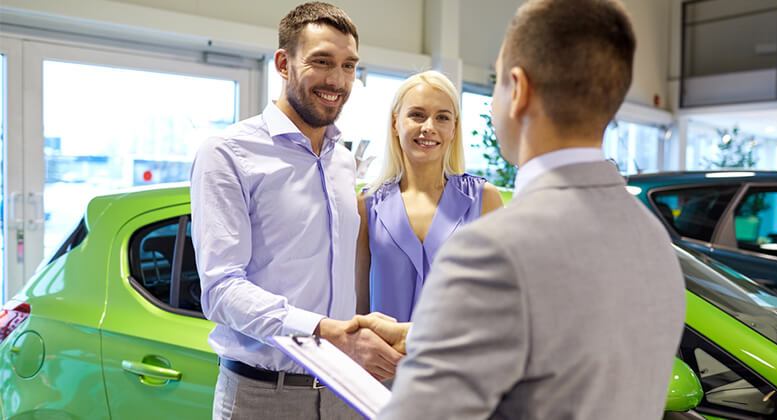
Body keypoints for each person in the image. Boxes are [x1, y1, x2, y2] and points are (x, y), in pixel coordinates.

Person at [371, 0, 687, 418]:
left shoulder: (493, 249)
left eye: (496, 82)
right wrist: (421, 335)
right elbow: (554, 346)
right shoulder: (654, 243)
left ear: (517, 91)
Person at [190, 3, 401, 419]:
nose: (337, 81)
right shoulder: (228, 152)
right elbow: (221, 291)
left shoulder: (342, 161)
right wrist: (325, 332)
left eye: (348, 66)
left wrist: (363, 332)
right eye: (321, 62)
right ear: (284, 63)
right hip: (261, 395)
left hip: (345, 389)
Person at [355, 70, 504, 321]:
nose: (429, 128)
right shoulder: (367, 206)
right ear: (395, 122)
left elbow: (501, 300)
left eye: (442, 118)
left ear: (454, 128)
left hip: (458, 358)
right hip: (383, 358)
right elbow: (360, 305)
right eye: (417, 115)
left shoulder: (484, 200)